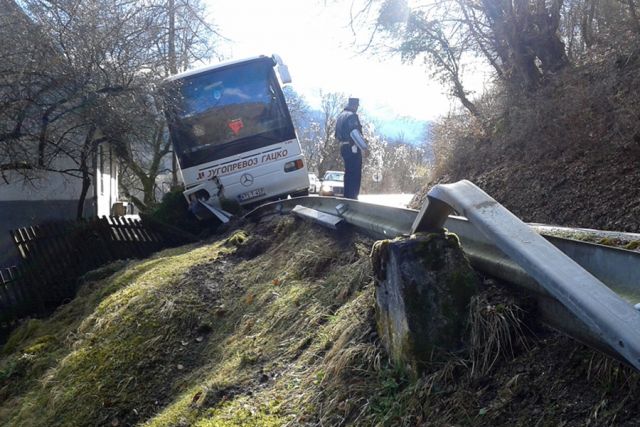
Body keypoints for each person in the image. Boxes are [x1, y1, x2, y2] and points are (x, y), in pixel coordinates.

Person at [335, 97, 366, 199]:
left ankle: (347, 196)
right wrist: (364, 148)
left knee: (348, 173)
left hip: (343, 147)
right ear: (355, 105)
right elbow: (354, 133)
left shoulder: (341, 115)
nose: (357, 108)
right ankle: (353, 197)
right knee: (355, 174)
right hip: (352, 147)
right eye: (357, 106)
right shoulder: (352, 116)